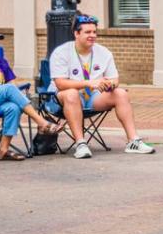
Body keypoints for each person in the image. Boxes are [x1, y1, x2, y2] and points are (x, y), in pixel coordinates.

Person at [50, 14, 155, 159]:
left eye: (94, 32)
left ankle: (133, 141)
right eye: (88, 32)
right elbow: (60, 83)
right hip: (65, 98)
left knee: (120, 93)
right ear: (76, 33)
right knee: (71, 93)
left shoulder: (104, 52)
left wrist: (109, 84)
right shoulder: (61, 52)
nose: (92, 35)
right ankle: (80, 144)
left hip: (93, 97)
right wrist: (88, 83)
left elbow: (115, 79)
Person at [0, 27, 65, 161]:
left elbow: (13, 85)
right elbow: (10, 88)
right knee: (9, 89)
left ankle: (3, 149)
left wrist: (19, 101)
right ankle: (42, 122)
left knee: (12, 107)